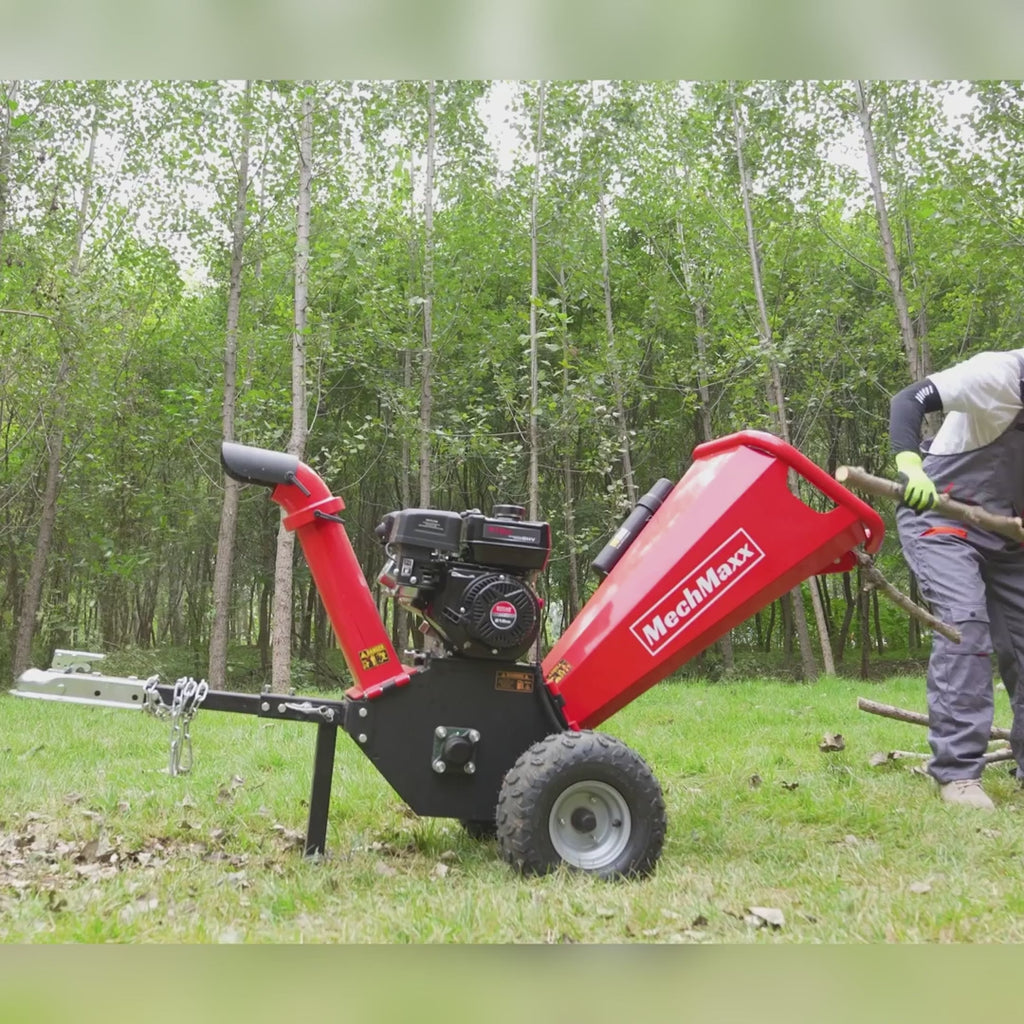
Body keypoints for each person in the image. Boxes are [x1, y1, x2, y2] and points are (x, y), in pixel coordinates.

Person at [890, 348, 1024, 810]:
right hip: (942, 516)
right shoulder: (999, 376)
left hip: (1008, 535)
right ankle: (959, 774)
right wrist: (910, 466)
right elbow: (910, 398)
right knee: (965, 625)